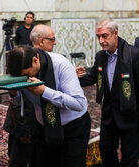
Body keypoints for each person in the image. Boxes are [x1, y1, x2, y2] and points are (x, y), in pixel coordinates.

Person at [7, 24, 91, 166]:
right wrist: (14, 93)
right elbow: (20, 102)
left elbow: (79, 103)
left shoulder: (60, 64)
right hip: (43, 126)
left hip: (73, 127)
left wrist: (44, 91)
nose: (26, 79)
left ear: (35, 60)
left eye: (28, 75)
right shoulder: (22, 69)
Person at [78, 18, 139, 167]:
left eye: (104, 36)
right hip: (109, 114)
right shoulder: (100, 56)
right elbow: (91, 78)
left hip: (130, 114)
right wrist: (68, 79)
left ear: (115, 33)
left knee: (129, 157)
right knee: (105, 149)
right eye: (98, 36)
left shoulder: (134, 55)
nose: (101, 40)